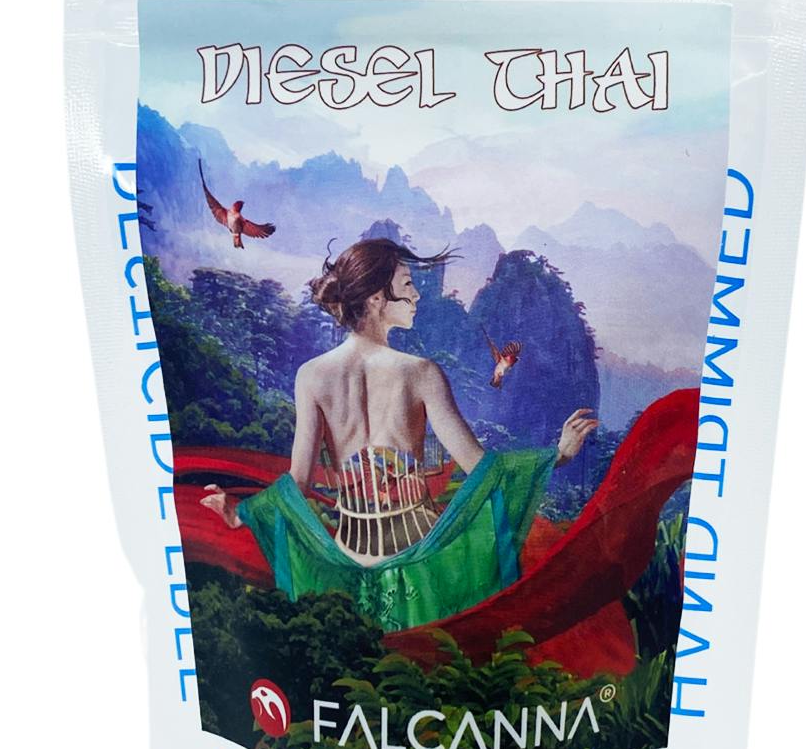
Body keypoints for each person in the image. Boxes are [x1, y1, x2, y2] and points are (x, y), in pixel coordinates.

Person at [200, 236, 598, 630]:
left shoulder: (311, 376)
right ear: (376, 298)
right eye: (407, 285)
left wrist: (241, 514)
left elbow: (296, 485)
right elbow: (483, 469)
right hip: (419, 567)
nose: (417, 295)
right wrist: (558, 456)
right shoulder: (421, 373)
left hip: (347, 563)